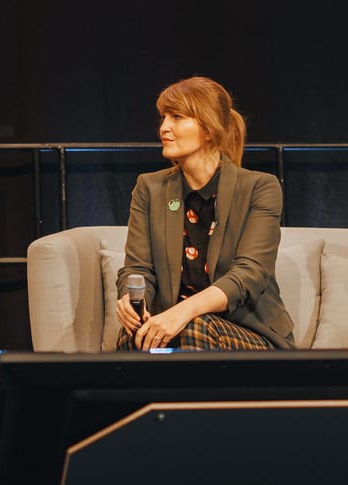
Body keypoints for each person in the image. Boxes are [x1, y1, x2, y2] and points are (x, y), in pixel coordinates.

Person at [115, 77, 296, 351]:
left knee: (194, 327)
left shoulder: (260, 187)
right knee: (134, 336)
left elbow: (249, 274)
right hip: (178, 328)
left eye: (177, 117)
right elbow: (138, 268)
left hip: (250, 334)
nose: (164, 127)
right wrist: (131, 301)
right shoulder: (149, 188)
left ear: (209, 130)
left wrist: (182, 312)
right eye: (163, 117)